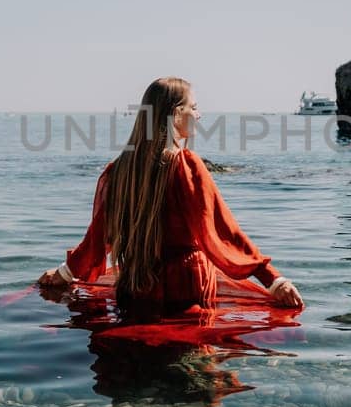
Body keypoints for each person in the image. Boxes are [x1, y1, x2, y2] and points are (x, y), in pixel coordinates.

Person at [38, 76, 304, 312]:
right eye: (195, 108)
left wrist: (63, 273)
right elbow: (223, 232)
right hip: (186, 287)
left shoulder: (119, 171)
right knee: (200, 365)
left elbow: (98, 240)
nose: (198, 116)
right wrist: (273, 280)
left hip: (136, 285)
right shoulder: (185, 166)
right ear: (177, 113)